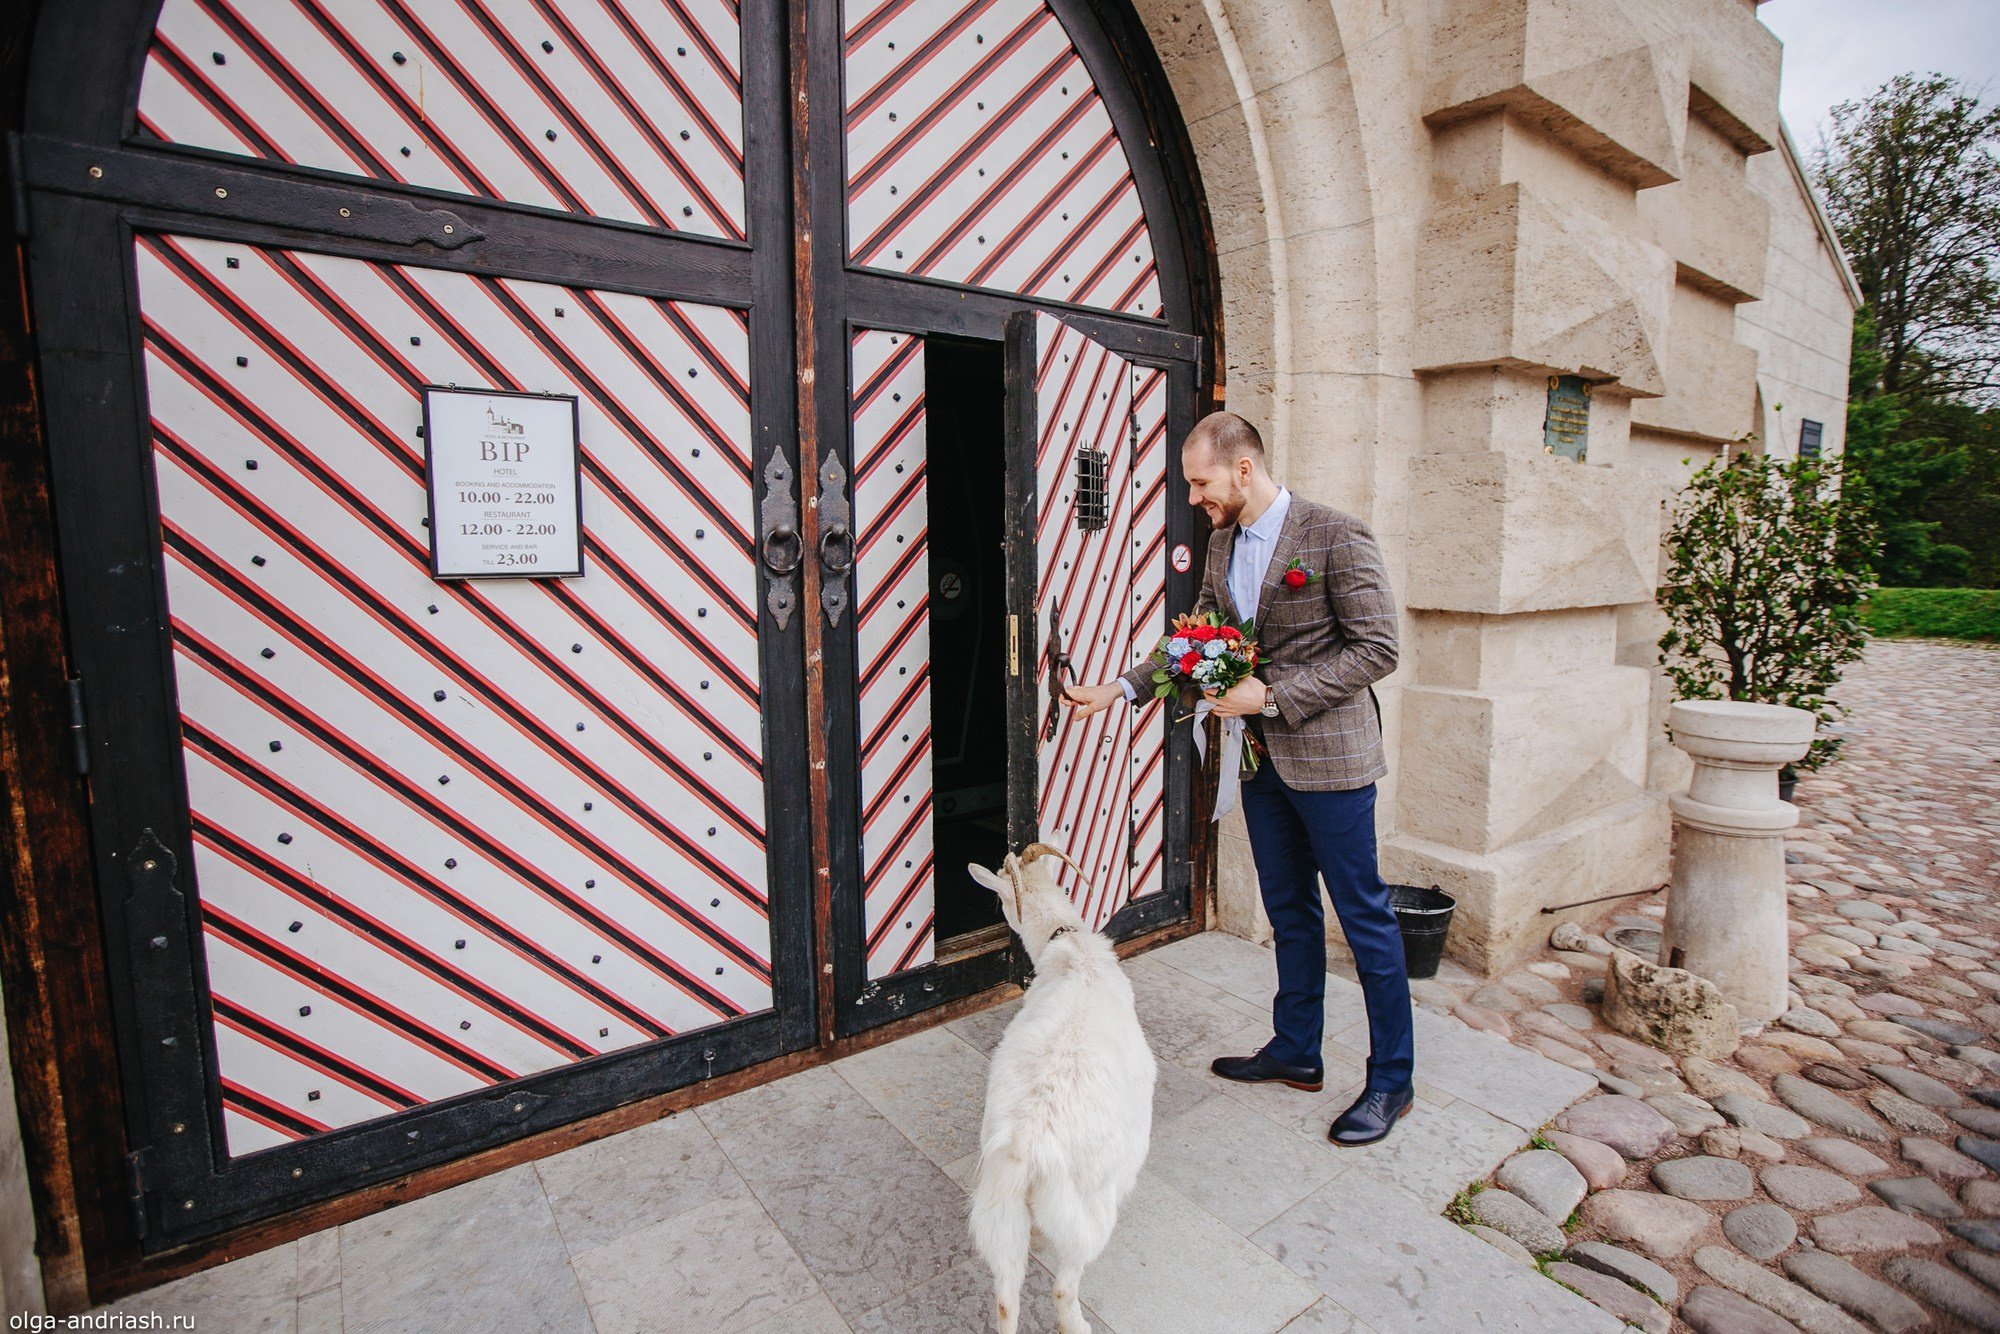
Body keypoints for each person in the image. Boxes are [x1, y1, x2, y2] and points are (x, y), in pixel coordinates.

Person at [1064, 411, 1413, 1146]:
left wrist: (1273, 695)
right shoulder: (1221, 546)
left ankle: (1391, 1079)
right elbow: (1192, 641)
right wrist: (1120, 690)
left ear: (1244, 468)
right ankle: (1297, 1051)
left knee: (1365, 918)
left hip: (1333, 761)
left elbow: (1378, 648)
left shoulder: (1333, 533)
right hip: (1260, 762)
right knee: (1289, 911)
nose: (1194, 498)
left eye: (1201, 482)